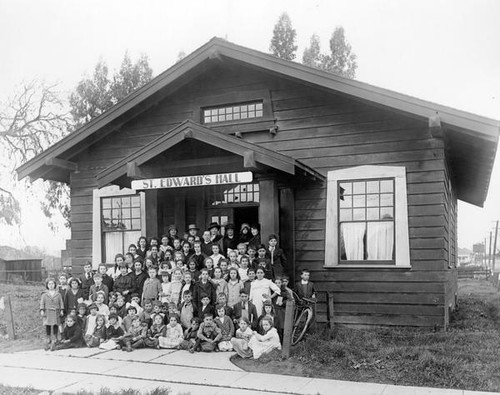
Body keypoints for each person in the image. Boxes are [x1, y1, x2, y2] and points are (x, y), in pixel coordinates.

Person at [40, 277, 64, 350]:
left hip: (55, 311)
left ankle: (55, 337)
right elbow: (42, 303)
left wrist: (62, 310)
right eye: (49, 284)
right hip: (47, 311)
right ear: (47, 285)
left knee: (56, 324)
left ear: (55, 285)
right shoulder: (44, 294)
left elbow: (61, 302)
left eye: (52, 284)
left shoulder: (58, 294)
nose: (51, 285)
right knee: (47, 324)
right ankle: (48, 338)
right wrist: (42, 310)